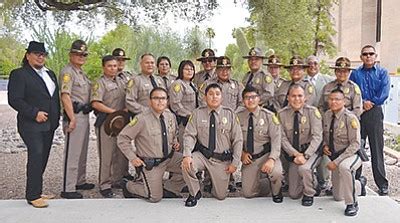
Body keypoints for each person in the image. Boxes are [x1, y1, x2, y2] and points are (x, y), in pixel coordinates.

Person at [8, 41, 60, 208]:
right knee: (36, 154)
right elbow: (14, 99)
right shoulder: (19, 74)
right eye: (37, 53)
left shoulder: (50, 74)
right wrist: (34, 113)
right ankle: (32, 195)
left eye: (43, 54)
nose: (40, 57)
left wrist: (57, 119)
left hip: (49, 124)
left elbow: (54, 98)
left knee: (43, 156)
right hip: (30, 124)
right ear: (28, 55)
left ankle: (37, 190)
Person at [117, 87, 186, 202]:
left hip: (169, 158)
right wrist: (132, 158)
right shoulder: (141, 119)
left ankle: (170, 189)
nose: (160, 101)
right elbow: (122, 138)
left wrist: (175, 142)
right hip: (151, 163)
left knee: (191, 166)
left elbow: (174, 133)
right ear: (150, 101)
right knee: (155, 197)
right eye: (156, 98)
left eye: (163, 98)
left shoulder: (170, 116)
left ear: (167, 101)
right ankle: (129, 186)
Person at [182, 83, 243, 207]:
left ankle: (213, 182)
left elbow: (238, 140)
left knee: (220, 196)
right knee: (187, 164)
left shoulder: (230, 114)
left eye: (217, 94)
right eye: (210, 94)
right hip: (203, 157)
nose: (214, 97)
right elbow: (189, 135)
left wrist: (235, 163)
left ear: (222, 97)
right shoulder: (197, 113)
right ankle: (195, 192)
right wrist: (187, 154)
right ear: (205, 97)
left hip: (221, 160)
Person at [350, 45, 390, 196]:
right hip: (358, 112)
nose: (368, 56)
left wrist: (370, 102)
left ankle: (382, 184)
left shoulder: (383, 72)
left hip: (374, 112)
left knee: (376, 148)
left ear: (375, 56)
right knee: (357, 146)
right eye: (365, 54)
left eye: (371, 54)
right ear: (361, 57)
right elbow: (352, 90)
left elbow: (384, 92)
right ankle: (356, 179)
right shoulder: (355, 74)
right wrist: (362, 103)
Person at [322, 89, 367, 216]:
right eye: (331, 99)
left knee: (344, 167)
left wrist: (336, 162)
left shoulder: (350, 118)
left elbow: (355, 144)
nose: (333, 102)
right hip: (335, 155)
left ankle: (352, 203)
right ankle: (359, 185)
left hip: (352, 155)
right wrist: (325, 145)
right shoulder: (326, 115)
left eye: (337, 99)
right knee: (337, 196)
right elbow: (325, 135)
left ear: (344, 102)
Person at [59, 40, 94, 199]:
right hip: (74, 115)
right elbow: (65, 96)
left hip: (84, 115)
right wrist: (71, 118)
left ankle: (80, 180)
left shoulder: (81, 73)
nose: (81, 57)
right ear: (71, 55)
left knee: (82, 151)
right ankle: (68, 187)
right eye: (78, 54)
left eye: (84, 54)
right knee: (72, 152)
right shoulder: (68, 72)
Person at [278, 84, 322, 206]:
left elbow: (317, 137)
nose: (296, 99)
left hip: (311, 151)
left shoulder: (312, 112)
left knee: (304, 168)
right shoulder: (282, 114)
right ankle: (310, 181)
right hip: (294, 154)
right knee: (293, 194)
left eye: (300, 96)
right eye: (293, 96)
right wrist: (296, 154)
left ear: (305, 98)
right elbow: (282, 138)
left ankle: (310, 192)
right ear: (288, 98)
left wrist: (306, 155)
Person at [236, 86, 283, 202]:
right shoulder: (237, 117)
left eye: (253, 97)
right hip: (250, 158)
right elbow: (232, 139)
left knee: (276, 172)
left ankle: (277, 191)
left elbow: (277, 141)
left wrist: (272, 159)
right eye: (247, 98)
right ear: (243, 100)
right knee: (248, 193)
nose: (250, 100)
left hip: (266, 155)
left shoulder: (269, 116)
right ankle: (266, 184)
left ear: (259, 99)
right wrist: (241, 154)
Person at [91, 55, 128, 198]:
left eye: (115, 65)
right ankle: (104, 184)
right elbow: (95, 103)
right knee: (107, 155)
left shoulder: (121, 81)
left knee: (119, 153)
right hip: (106, 122)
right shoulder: (99, 83)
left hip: (121, 122)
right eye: (110, 66)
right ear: (104, 67)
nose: (113, 68)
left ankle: (116, 180)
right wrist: (114, 112)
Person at [169, 60, 198, 150]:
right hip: (183, 122)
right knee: (184, 149)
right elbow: (175, 104)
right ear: (181, 70)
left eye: (191, 69)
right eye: (186, 69)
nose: (189, 71)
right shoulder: (178, 84)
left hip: (193, 122)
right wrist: (189, 115)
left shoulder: (192, 85)